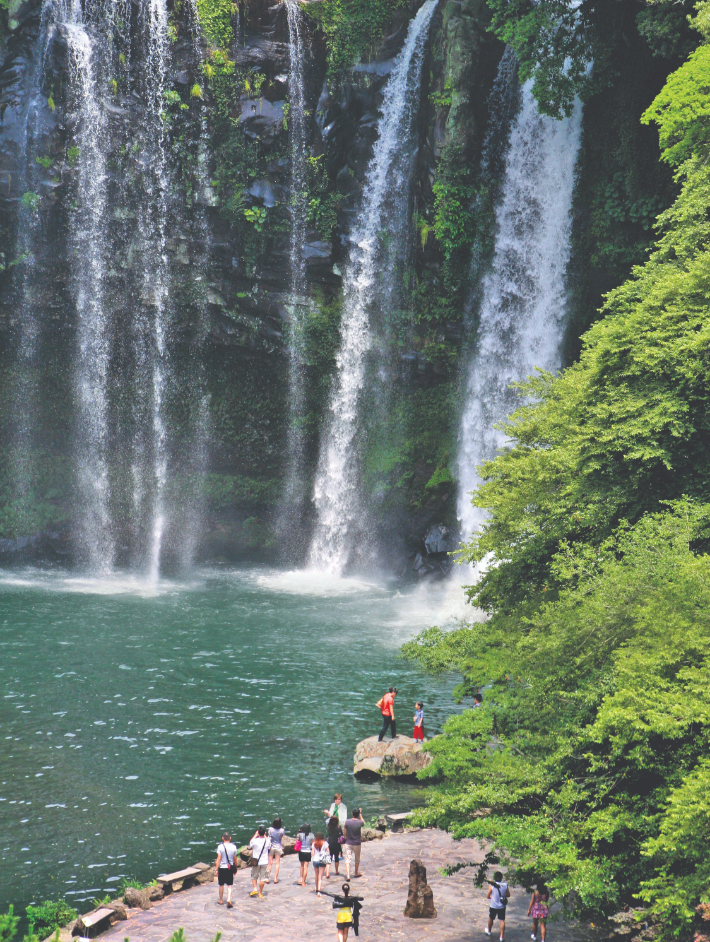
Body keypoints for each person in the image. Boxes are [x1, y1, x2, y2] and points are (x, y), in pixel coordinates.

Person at [214, 830, 237, 908]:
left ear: (223, 838)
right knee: (230, 885)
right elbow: (235, 859)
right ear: (230, 838)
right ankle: (228, 899)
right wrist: (235, 867)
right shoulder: (233, 847)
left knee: (221, 884)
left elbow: (219, 858)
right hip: (229, 868)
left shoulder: (220, 847)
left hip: (222, 868)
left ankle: (220, 900)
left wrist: (216, 869)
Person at [485, 871, 510, 940]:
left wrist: (492, 897)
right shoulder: (505, 885)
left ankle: (489, 931)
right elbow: (508, 895)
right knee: (502, 920)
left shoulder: (492, 885)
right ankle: (501, 936)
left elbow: (488, 896)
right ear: (501, 878)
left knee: (491, 918)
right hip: (502, 906)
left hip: (493, 905)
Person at [248, 824, 271, 898]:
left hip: (256, 861)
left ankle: (255, 888)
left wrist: (255, 835)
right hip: (264, 861)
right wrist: (265, 836)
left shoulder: (255, 840)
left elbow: (250, 844)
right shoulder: (267, 840)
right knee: (263, 878)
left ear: (258, 832)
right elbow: (269, 846)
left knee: (254, 875)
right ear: (265, 832)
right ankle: (260, 892)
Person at [343, 807, 365, 880]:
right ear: (358, 814)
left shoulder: (348, 822)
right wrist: (360, 814)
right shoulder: (359, 822)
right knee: (357, 858)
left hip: (348, 842)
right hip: (357, 843)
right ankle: (356, 872)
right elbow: (363, 823)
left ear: (352, 813)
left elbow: (345, 831)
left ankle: (348, 875)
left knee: (347, 859)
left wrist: (345, 837)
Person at [266, 816, 285, 884]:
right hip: (278, 847)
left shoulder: (270, 829)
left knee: (270, 863)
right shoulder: (282, 830)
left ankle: (267, 878)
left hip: (271, 847)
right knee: (277, 863)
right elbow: (281, 837)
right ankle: (275, 878)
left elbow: (269, 836)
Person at [311, 831, 330, 897]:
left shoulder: (314, 843)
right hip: (322, 860)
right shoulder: (325, 843)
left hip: (315, 860)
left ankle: (316, 889)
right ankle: (319, 892)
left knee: (316, 875)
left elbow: (312, 853)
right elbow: (328, 852)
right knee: (320, 877)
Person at [325, 814, 342, 879]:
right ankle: (336, 871)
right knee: (336, 858)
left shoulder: (329, 827)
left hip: (330, 843)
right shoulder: (338, 827)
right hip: (336, 843)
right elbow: (341, 834)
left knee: (329, 857)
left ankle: (327, 873)